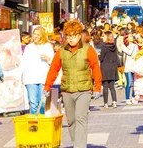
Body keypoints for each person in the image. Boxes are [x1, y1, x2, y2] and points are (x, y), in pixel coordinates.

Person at [44, 20, 102, 148]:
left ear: (79, 35)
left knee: (81, 118)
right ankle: (77, 143)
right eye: (68, 36)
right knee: (71, 120)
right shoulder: (61, 51)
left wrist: (97, 87)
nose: (71, 39)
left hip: (84, 90)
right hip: (67, 90)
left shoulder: (88, 49)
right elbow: (54, 69)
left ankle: (80, 146)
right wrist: (47, 86)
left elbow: (95, 67)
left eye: (74, 36)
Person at [21, 26, 54, 114]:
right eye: (34, 34)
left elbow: (53, 63)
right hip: (30, 79)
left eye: (38, 35)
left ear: (42, 36)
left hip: (43, 78)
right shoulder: (29, 47)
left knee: (42, 102)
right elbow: (23, 62)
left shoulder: (47, 46)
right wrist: (18, 76)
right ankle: (34, 123)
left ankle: (42, 121)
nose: (35, 36)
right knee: (33, 102)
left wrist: (48, 59)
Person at [99, 32, 119, 108]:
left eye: (104, 36)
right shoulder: (114, 47)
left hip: (105, 67)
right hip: (112, 67)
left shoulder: (104, 47)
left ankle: (106, 103)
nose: (103, 38)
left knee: (105, 86)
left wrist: (99, 55)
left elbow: (101, 58)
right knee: (112, 86)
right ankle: (114, 101)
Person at [121, 32, 138, 104]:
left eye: (132, 36)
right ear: (126, 38)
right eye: (130, 36)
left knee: (134, 83)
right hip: (127, 65)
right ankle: (127, 98)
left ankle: (133, 97)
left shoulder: (135, 45)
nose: (132, 37)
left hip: (134, 64)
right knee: (129, 83)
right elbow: (130, 52)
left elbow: (137, 54)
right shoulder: (123, 46)